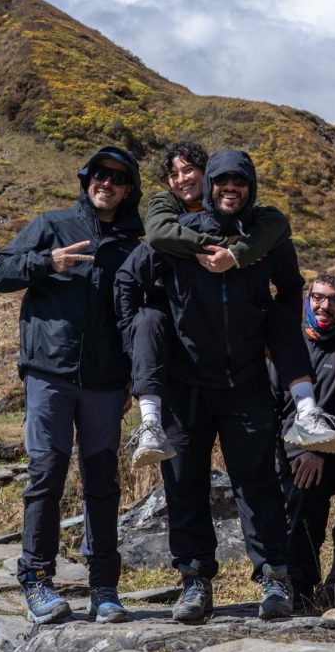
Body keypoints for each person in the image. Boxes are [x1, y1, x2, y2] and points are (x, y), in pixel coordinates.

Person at [114, 150, 330, 622]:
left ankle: (274, 577)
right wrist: (139, 344)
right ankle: (195, 583)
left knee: (258, 482)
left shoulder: (264, 236)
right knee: (183, 484)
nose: (231, 187)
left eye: (240, 180)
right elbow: (128, 280)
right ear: (210, 184)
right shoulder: (179, 236)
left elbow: (290, 287)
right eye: (222, 180)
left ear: (251, 185)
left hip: (245, 382)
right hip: (186, 384)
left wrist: (271, 327)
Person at [0, 146, 144, 625]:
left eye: (117, 177)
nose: (106, 183)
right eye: (99, 174)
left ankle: (104, 588)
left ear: (128, 189)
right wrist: (45, 262)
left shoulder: (135, 243)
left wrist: (131, 377)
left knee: (103, 483)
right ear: (86, 179)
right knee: (46, 474)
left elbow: (137, 316)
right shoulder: (52, 225)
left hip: (105, 382)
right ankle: (37, 580)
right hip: (49, 374)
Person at [125, 139, 315, 467]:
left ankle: (309, 411)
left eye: (189, 170)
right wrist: (219, 247)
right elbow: (152, 240)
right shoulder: (167, 209)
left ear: (205, 171)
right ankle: (149, 422)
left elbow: (279, 229)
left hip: (243, 373)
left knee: (256, 480)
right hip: (182, 359)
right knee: (149, 318)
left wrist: (240, 252)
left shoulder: (257, 225)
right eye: (174, 174)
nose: (182, 179)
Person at [269, 274, 335, 605]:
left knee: (305, 488)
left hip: (333, 451)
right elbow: (271, 401)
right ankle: (279, 580)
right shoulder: (288, 341)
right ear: (307, 300)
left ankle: (301, 588)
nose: (325, 306)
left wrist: (320, 450)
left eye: (333, 300)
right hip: (284, 446)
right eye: (318, 298)